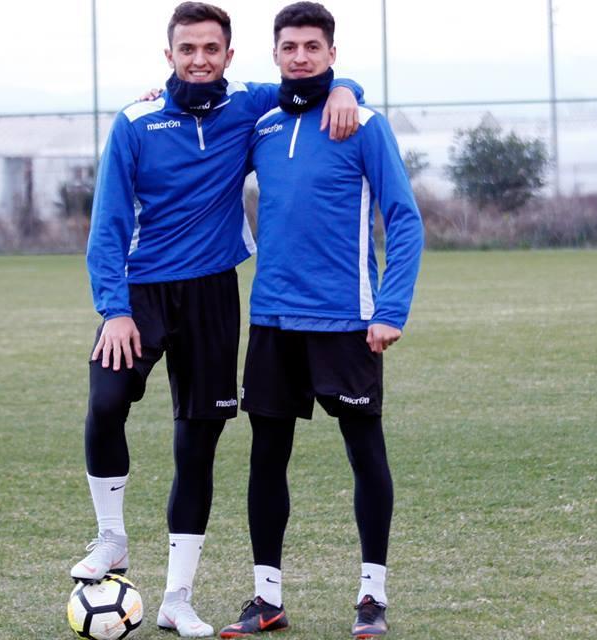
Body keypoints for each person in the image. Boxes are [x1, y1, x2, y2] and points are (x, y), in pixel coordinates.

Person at [73, 2, 364, 638]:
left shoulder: (247, 107)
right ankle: (111, 536)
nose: (200, 59)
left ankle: (177, 599)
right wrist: (114, 310)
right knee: (106, 400)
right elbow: (108, 224)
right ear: (169, 54)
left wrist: (346, 86)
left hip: (212, 294)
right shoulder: (135, 122)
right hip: (141, 292)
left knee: (197, 442)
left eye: (211, 49)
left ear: (229, 56)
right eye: (188, 49)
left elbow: (307, 81)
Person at [217, 3, 424, 638]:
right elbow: (215, 96)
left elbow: (404, 219)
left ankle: (372, 597)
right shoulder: (262, 124)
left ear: (332, 52)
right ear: (275, 54)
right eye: (290, 47)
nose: (301, 56)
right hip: (273, 318)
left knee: (365, 453)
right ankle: (266, 599)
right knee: (266, 459)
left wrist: (390, 310)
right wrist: (159, 94)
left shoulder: (363, 123)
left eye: (313, 46)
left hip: (346, 320)